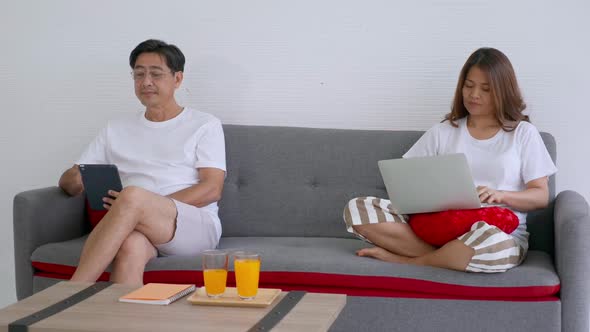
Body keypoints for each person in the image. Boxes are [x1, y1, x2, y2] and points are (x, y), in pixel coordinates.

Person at [343, 47, 557, 273]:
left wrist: (501, 195)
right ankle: (447, 256)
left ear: (503, 92)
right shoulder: (443, 131)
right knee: (357, 209)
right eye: (468, 85)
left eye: (486, 89)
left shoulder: (523, 133)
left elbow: (540, 195)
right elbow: (406, 180)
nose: (474, 95)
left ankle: (410, 260)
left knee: (493, 243)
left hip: (495, 232)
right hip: (439, 225)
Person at [58, 39, 226, 285]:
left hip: (193, 224)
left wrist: (144, 205)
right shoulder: (115, 128)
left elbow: (212, 189)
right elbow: (68, 182)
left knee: (133, 196)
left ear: (177, 79)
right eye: (139, 75)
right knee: (129, 246)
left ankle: (70, 293)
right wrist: (76, 179)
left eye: (155, 74)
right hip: (135, 223)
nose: (146, 82)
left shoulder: (204, 124)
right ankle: (121, 322)